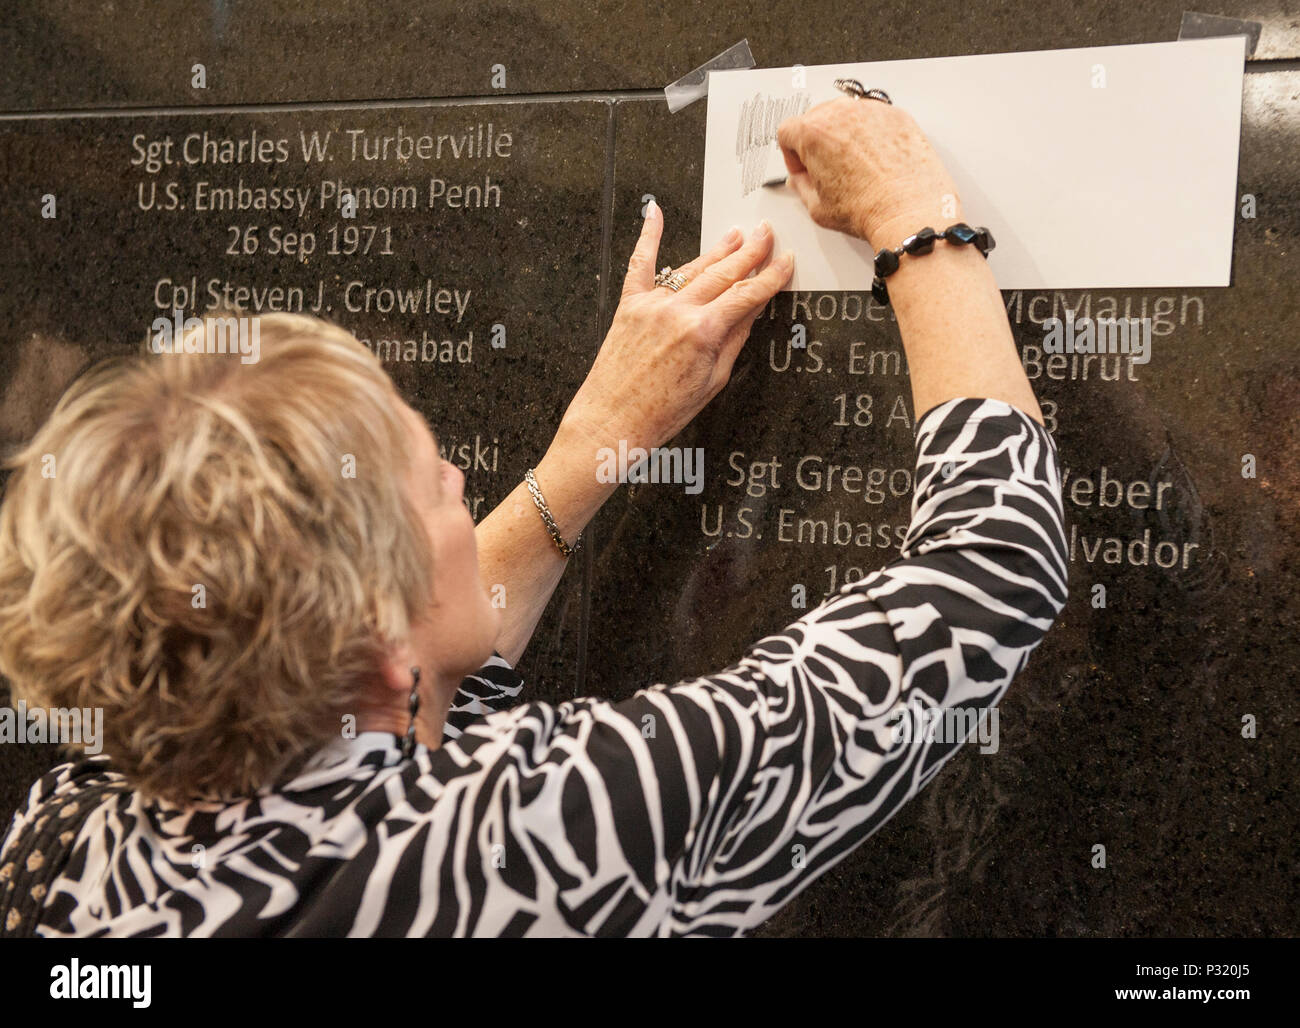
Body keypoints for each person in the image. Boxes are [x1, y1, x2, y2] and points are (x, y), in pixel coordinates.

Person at [0, 95, 1066, 937]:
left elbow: (368, 682)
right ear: (376, 646)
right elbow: (989, 571)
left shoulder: (63, 835)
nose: (465, 483)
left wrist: (595, 439)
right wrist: (916, 222)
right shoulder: (520, 837)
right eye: (437, 489)